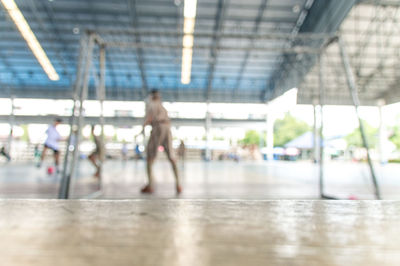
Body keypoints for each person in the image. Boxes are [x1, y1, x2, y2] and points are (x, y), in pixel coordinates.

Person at [140, 90, 181, 194]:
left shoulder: (152, 104)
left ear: (151, 96)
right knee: (172, 157)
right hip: (167, 128)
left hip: (158, 128)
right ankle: (178, 184)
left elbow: (149, 118)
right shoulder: (163, 107)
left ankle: (150, 185)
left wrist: (142, 129)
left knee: (150, 158)